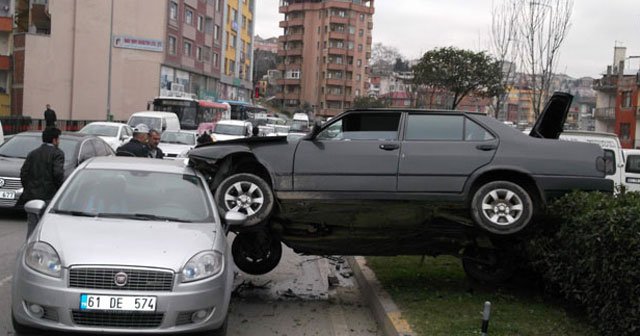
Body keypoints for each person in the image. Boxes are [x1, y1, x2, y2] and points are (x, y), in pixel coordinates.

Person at [19, 127, 65, 238]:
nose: (59, 141)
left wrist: (29, 188)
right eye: (58, 139)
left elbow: (23, 173)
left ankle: (29, 249)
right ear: (54, 140)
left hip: (32, 197)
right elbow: (58, 174)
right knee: (47, 227)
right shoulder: (57, 154)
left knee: (32, 227)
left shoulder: (32, 153)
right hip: (49, 197)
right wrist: (60, 191)